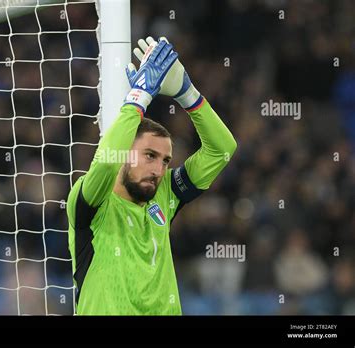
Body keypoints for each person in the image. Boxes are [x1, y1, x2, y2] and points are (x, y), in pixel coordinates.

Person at [67, 37, 237, 315]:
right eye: (149, 155)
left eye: (165, 160)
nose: (159, 169)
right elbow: (107, 165)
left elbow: (223, 150)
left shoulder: (165, 193)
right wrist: (139, 96)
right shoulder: (92, 202)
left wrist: (187, 94)